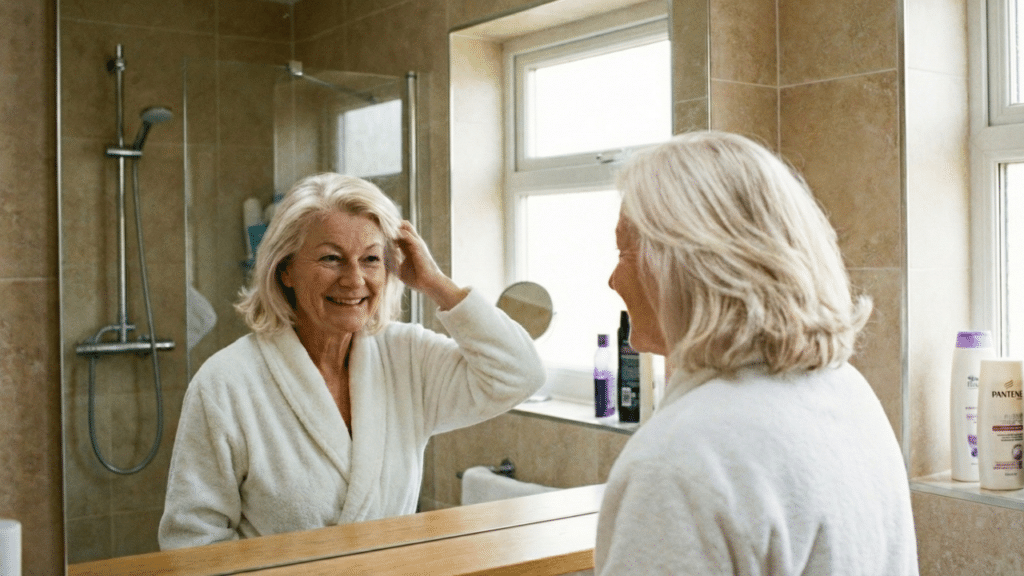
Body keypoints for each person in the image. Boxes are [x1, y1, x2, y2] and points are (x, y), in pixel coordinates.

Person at [159, 173, 545, 549]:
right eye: (331, 258)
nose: (354, 279)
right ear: (286, 269)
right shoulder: (227, 383)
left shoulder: (405, 357)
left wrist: (435, 282)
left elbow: (520, 374)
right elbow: (193, 540)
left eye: (371, 259)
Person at [598, 131, 918, 574]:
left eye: (623, 251)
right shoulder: (847, 391)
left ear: (680, 264)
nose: (613, 281)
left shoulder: (682, 459)